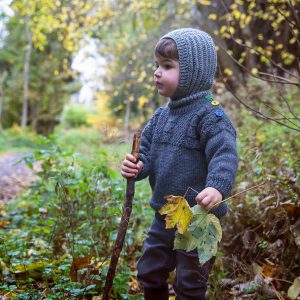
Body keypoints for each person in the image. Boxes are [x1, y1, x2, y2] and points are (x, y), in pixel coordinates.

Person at [121, 28, 238, 300]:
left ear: (193, 72)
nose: (157, 73)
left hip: (198, 218)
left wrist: (217, 188)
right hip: (165, 214)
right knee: (149, 271)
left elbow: (225, 154)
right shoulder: (161, 116)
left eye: (167, 66)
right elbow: (146, 154)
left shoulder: (212, 114)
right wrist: (136, 167)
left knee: (190, 283)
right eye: (157, 66)